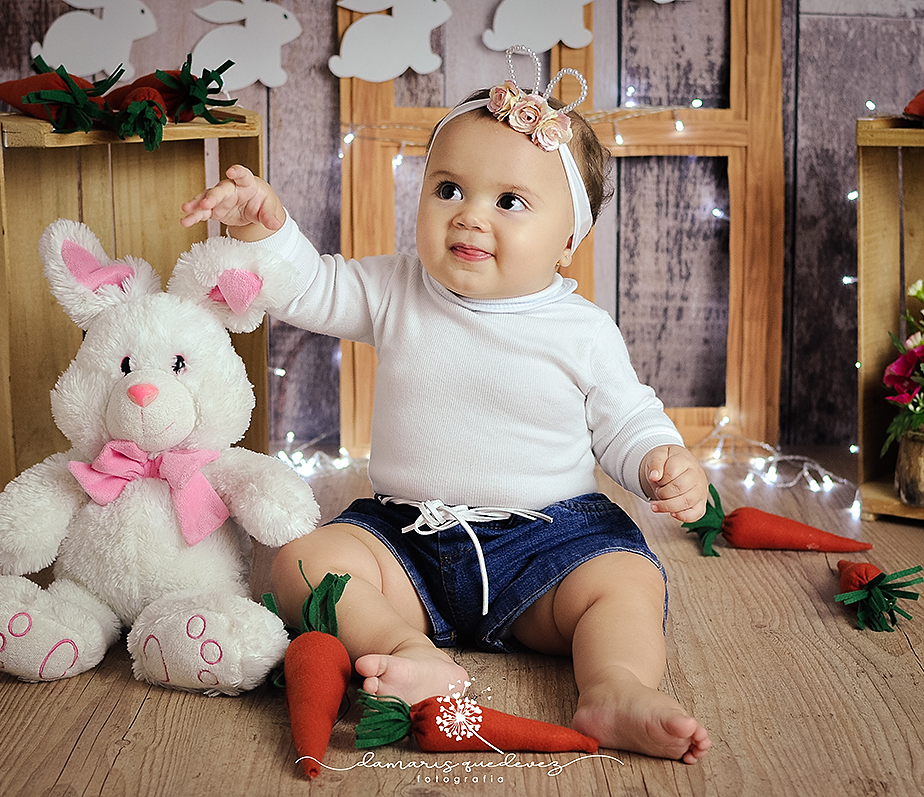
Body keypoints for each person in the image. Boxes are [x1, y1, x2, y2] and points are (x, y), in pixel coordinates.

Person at [180, 50, 712, 763]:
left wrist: (657, 459)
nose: (470, 217)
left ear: (568, 241)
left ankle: (614, 686)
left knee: (626, 580)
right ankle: (406, 649)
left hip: (549, 550)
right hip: (407, 541)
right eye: (449, 189)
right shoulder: (399, 289)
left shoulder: (582, 331)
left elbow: (626, 417)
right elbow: (310, 288)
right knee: (303, 562)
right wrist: (266, 229)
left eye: (509, 202)